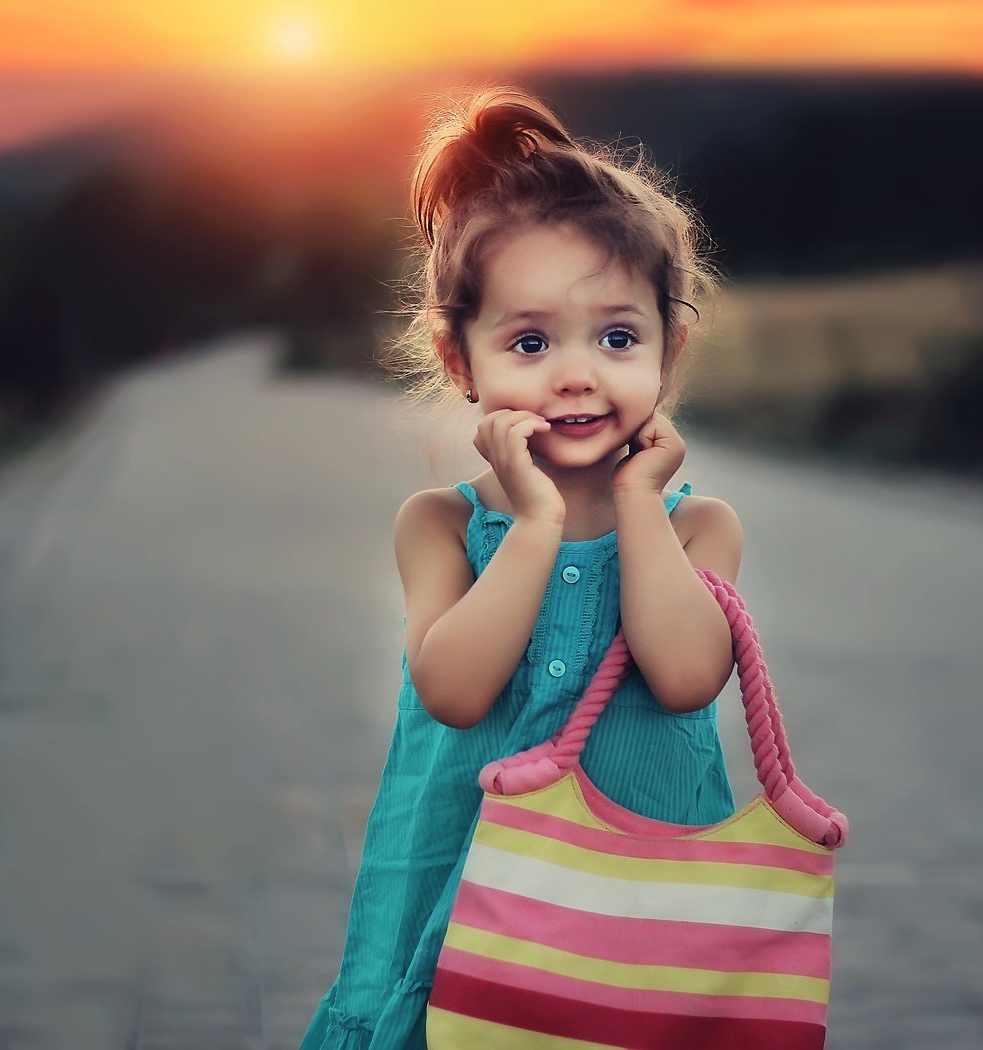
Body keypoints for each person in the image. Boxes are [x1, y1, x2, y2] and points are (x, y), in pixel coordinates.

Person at [299, 87, 745, 1050]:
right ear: (458, 359)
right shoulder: (438, 527)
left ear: (670, 349)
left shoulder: (698, 528)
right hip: (456, 915)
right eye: (531, 342)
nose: (577, 374)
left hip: (631, 929)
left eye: (618, 337)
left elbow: (685, 675)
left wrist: (635, 507)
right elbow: (454, 690)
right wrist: (535, 522)